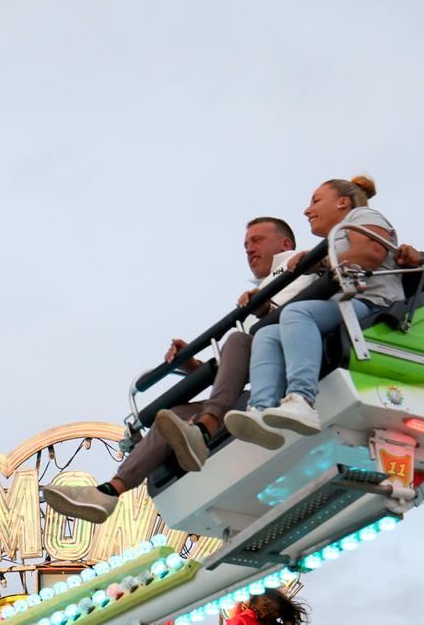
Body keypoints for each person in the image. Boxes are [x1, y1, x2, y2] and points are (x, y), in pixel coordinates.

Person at [43, 217, 309, 523]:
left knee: (237, 338)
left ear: (285, 244)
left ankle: (204, 428)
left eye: (257, 240)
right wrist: (191, 366)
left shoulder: (299, 268)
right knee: (169, 419)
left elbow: (286, 326)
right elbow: (236, 369)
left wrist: (260, 309)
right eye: (246, 244)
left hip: (289, 377)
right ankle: (109, 491)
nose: (249, 249)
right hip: (254, 385)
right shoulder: (259, 293)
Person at [225, 175, 402, 448]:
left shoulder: (362, 216)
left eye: (316, 201)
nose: (307, 210)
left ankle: (302, 400)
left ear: (343, 202)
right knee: (268, 333)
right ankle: (260, 410)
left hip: (374, 303)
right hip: (347, 303)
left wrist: (319, 261)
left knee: (297, 313)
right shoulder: (336, 238)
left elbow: (371, 252)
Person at [224, 587, 310, 625]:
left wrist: (288, 620)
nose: (266, 610)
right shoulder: (242, 616)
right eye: (266, 601)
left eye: (273, 612)